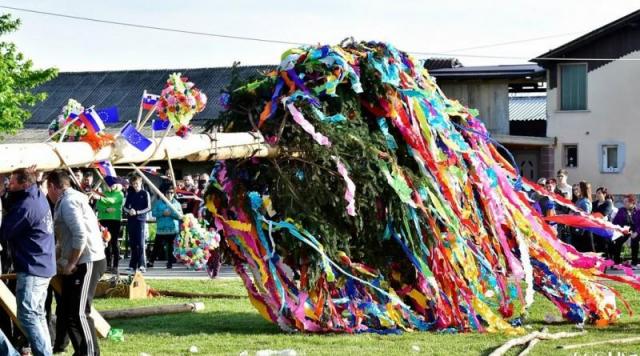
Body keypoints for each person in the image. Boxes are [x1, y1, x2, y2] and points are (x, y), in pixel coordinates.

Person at [47, 170, 106, 356]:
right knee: (68, 311)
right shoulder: (65, 201)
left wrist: (72, 263)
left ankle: (90, 353)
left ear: (52, 186)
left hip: (87, 261)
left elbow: (80, 235)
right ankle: (81, 350)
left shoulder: (69, 201)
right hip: (80, 261)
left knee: (80, 312)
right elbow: (64, 238)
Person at [0, 168, 56, 356]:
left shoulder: (26, 206)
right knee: (37, 315)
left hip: (33, 267)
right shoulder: (36, 194)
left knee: (28, 316)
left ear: (24, 184)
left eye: (13, 182)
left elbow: (4, 231)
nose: (9, 184)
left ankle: (43, 354)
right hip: (42, 264)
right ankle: (45, 352)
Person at [95, 180, 125, 274]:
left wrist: (100, 198)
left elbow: (112, 200)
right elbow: (98, 206)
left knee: (114, 242)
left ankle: (115, 266)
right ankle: (107, 264)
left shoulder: (120, 193)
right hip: (104, 219)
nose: (110, 186)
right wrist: (106, 209)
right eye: (108, 184)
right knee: (105, 242)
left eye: (112, 184)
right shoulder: (103, 193)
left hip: (115, 220)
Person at [123, 175, 150, 273]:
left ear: (141, 182)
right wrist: (129, 211)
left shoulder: (145, 193)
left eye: (137, 183)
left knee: (141, 243)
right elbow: (125, 207)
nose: (135, 185)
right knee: (133, 243)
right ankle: (132, 265)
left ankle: (142, 264)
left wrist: (137, 212)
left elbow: (148, 208)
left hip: (140, 221)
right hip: (131, 220)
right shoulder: (130, 194)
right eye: (133, 184)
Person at [150, 187, 182, 269]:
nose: (170, 194)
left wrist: (171, 214)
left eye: (171, 193)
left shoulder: (177, 203)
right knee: (156, 246)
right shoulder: (158, 203)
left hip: (172, 229)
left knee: (171, 248)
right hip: (161, 229)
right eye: (168, 192)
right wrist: (162, 213)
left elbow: (180, 216)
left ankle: (170, 263)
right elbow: (153, 213)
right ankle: (151, 261)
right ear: (164, 194)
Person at [610, 195, 640, 268]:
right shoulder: (621, 210)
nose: (624, 203)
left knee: (635, 241)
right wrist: (617, 230)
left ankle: (634, 263)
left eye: (626, 202)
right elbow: (615, 222)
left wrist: (637, 232)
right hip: (625, 231)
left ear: (632, 202)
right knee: (617, 241)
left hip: (636, 231)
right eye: (624, 202)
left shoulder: (638, 211)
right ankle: (616, 263)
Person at [572, 181, 594, 252]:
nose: (577, 189)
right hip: (579, 228)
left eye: (578, 187)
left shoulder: (585, 201)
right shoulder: (579, 200)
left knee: (586, 252)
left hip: (584, 230)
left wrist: (575, 214)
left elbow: (586, 215)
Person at [592, 187, 614, 256]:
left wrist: (593, 215)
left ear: (604, 194)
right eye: (596, 193)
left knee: (605, 246)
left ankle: (607, 263)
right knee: (597, 246)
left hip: (605, 228)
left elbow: (603, 214)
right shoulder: (594, 203)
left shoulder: (608, 203)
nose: (597, 195)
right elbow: (590, 213)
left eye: (599, 193)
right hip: (595, 227)